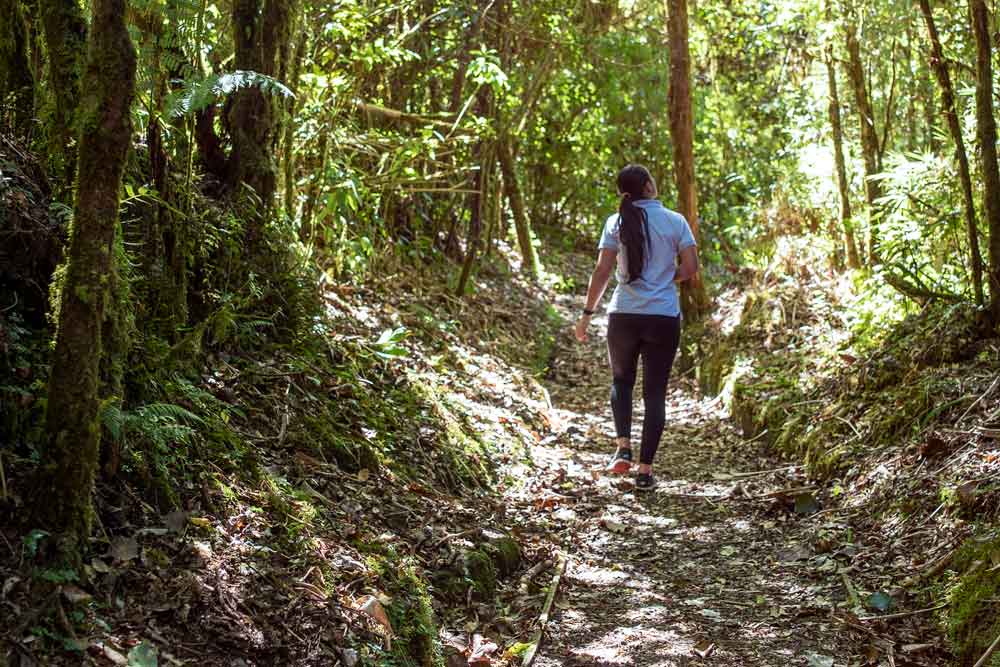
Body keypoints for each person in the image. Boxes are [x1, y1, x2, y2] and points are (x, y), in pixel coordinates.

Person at [574, 164, 700, 491]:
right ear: (647, 186)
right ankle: (645, 470)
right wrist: (663, 278)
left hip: (623, 315)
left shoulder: (615, 223)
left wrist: (587, 313)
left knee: (621, 381)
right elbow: (691, 267)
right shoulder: (675, 221)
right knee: (655, 393)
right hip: (663, 317)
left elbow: (602, 271)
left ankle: (623, 447)